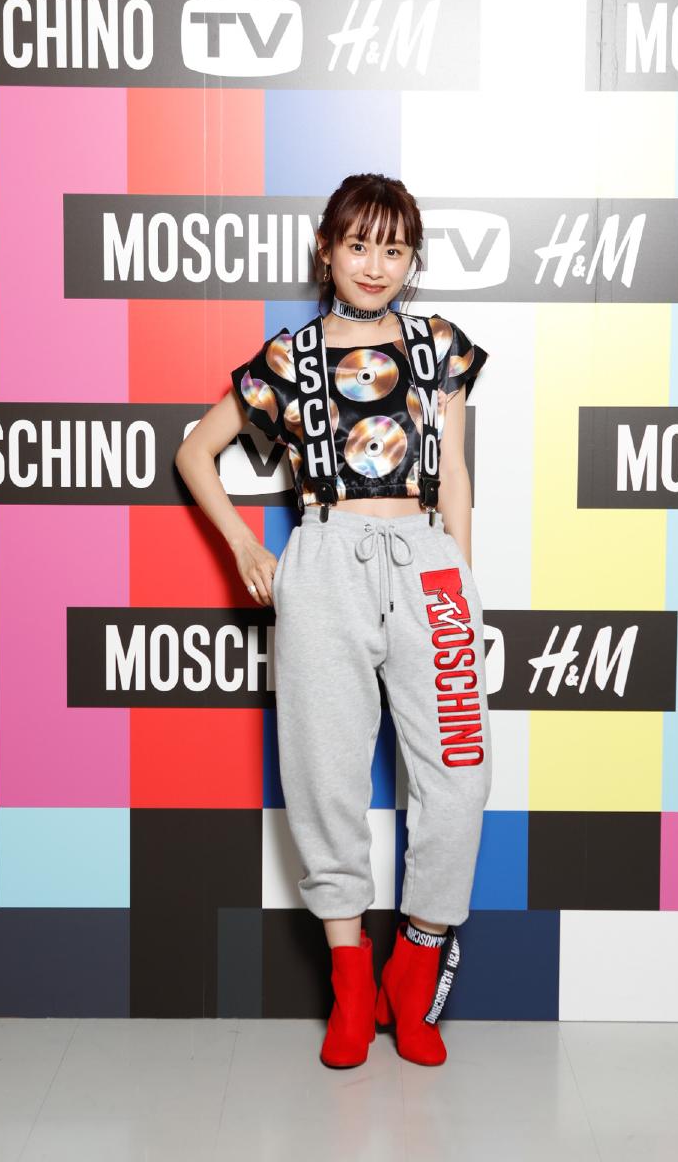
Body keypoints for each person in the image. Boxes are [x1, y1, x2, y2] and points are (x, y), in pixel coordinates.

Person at [175, 173, 492, 1069]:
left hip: (428, 564)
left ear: (412, 259)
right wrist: (244, 545)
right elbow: (196, 451)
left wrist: (462, 580)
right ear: (327, 250)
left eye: (395, 249)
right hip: (323, 561)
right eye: (359, 245)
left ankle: (414, 970)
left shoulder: (438, 346)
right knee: (324, 776)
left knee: (459, 775)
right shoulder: (291, 357)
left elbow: (454, 472)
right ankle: (351, 984)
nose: (376, 265)